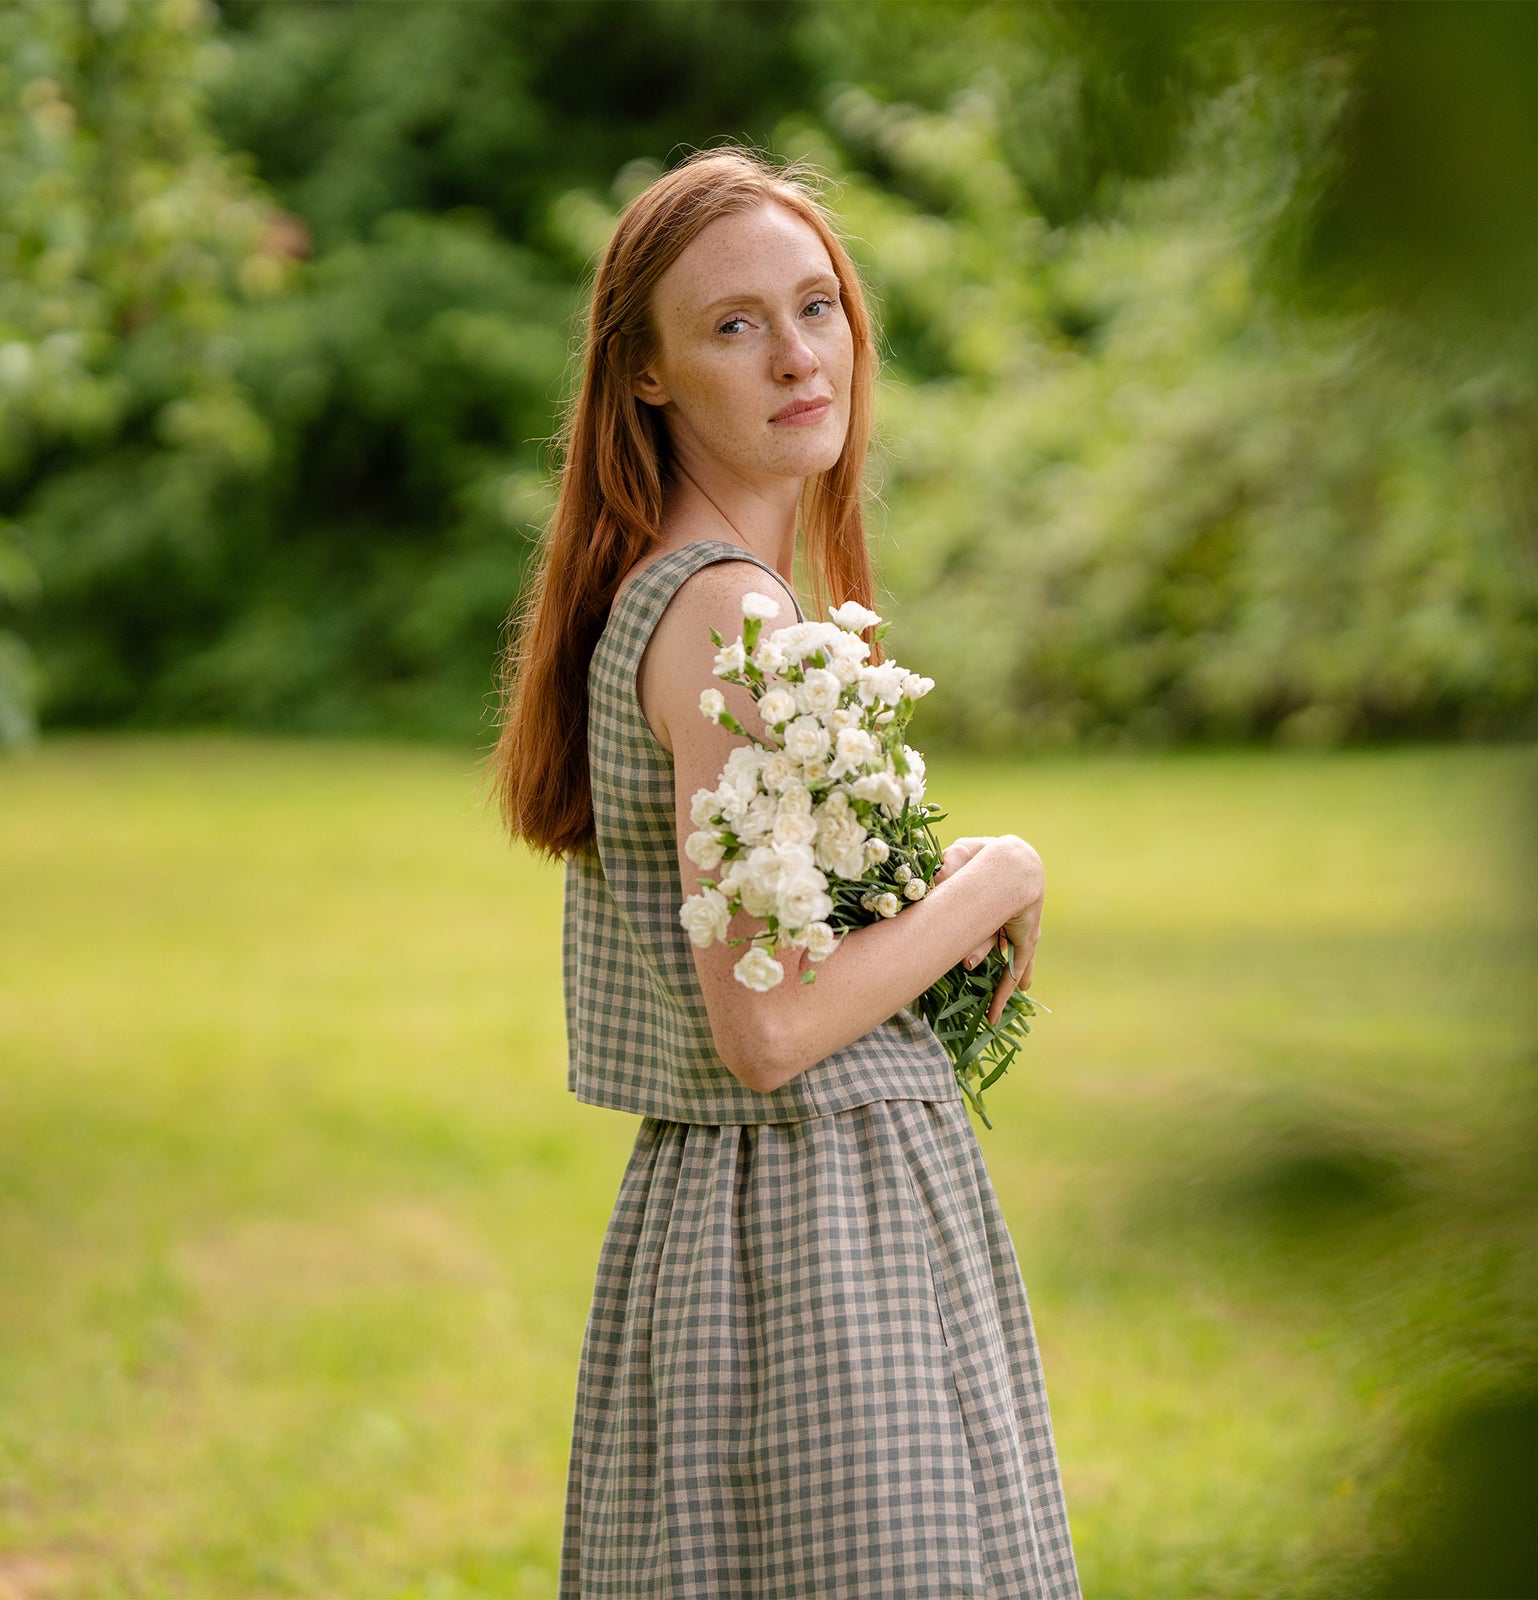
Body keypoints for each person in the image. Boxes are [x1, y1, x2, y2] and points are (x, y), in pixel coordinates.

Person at [488, 146, 1082, 1599]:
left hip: (782, 1214)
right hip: (809, 1235)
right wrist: (986, 882)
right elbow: (768, 1028)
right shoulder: (722, 618)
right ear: (646, 373)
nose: (798, 355)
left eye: (816, 308)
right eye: (735, 325)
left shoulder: (698, 597)